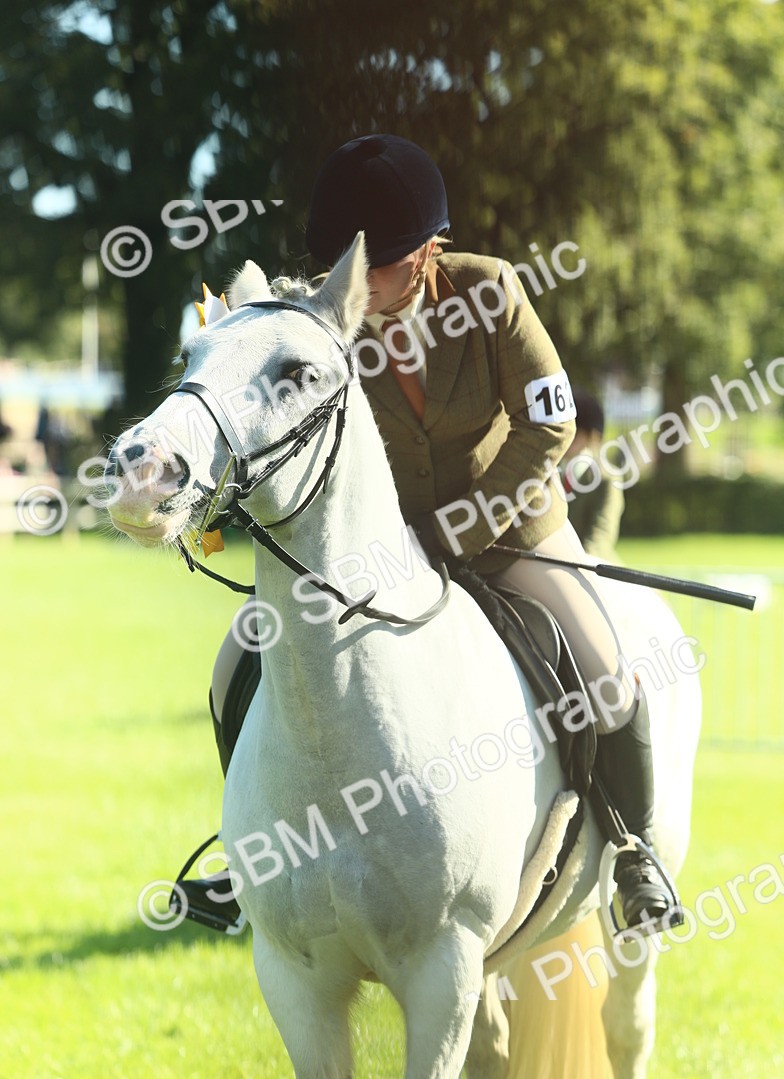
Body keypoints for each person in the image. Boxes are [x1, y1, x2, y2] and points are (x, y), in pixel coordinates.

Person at [197, 133, 677, 935]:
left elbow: (547, 426)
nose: (345, 281)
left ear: (423, 254)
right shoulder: (331, 319)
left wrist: (466, 525)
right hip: (381, 554)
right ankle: (247, 857)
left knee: (608, 677)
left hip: (515, 530)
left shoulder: (491, 292)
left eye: (367, 263)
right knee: (232, 666)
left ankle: (632, 849)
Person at [562, 389, 624, 561]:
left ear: (592, 436)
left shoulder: (607, 479)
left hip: (590, 566)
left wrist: (580, 564)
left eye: (574, 433)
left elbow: (601, 533)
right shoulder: (548, 473)